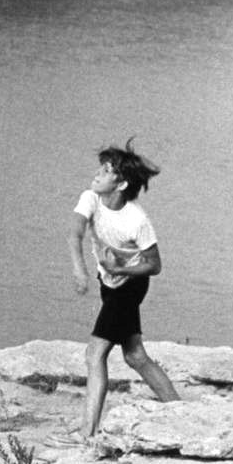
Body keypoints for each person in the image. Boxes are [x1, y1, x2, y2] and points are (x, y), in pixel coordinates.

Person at [68, 139, 180, 438]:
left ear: (121, 184)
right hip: (108, 282)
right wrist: (80, 269)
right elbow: (75, 233)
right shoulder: (91, 198)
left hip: (130, 285)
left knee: (94, 354)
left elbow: (154, 265)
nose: (98, 174)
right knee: (135, 356)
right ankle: (181, 412)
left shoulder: (137, 220)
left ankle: (86, 435)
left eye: (106, 171)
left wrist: (120, 269)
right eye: (101, 168)